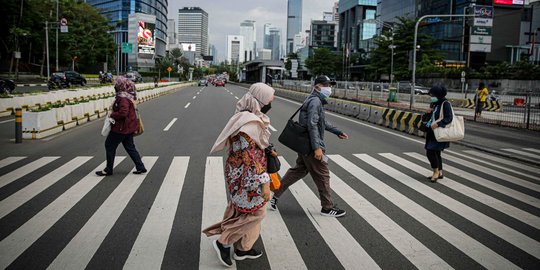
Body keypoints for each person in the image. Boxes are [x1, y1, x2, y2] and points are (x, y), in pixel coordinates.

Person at [203, 83, 275, 267]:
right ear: (260, 101)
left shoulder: (248, 117)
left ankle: (244, 248)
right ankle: (224, 241)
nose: (272, 102)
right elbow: (250, 157)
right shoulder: (248, 123)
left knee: (245, 209)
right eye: (269, 99)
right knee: (257, 212)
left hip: (241, 173)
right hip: (248, 177)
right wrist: (265, 183)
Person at [270, 75, 349, 217]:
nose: (329, 88)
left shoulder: (314, 99)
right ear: (318, 86)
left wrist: (338, 131)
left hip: (305, 145)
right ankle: (327, 207)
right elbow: (312, 125)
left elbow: (320, 123)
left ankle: (275, 196)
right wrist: (317, 147)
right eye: (326, 85)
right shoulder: (315, 102)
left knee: (297, 171)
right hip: (311, 146)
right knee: (323, 175)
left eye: (330, 85)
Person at [96, 77, 146, 176]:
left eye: (117, 84)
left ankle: (108, 169)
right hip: (127, 128)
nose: (115, 86)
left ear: (121, 86)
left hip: (121, 128)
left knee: (109, 145)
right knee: (130, 147)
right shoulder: (128, 96)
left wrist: (112, 115)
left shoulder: (123, 98)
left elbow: (123, 113)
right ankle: (140, 167)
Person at [425, 85, 453, 183]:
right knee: (436, 152)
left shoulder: (445, 104)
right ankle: (440, 172)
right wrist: (428, 112)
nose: (431, 96)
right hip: (431, 131)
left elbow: (449, 118)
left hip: (440, 131)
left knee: (430, 152)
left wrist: (438, 124)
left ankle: (435, 172)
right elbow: (430, 117)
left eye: (432, 95)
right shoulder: (434, 103)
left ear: (438, 94)